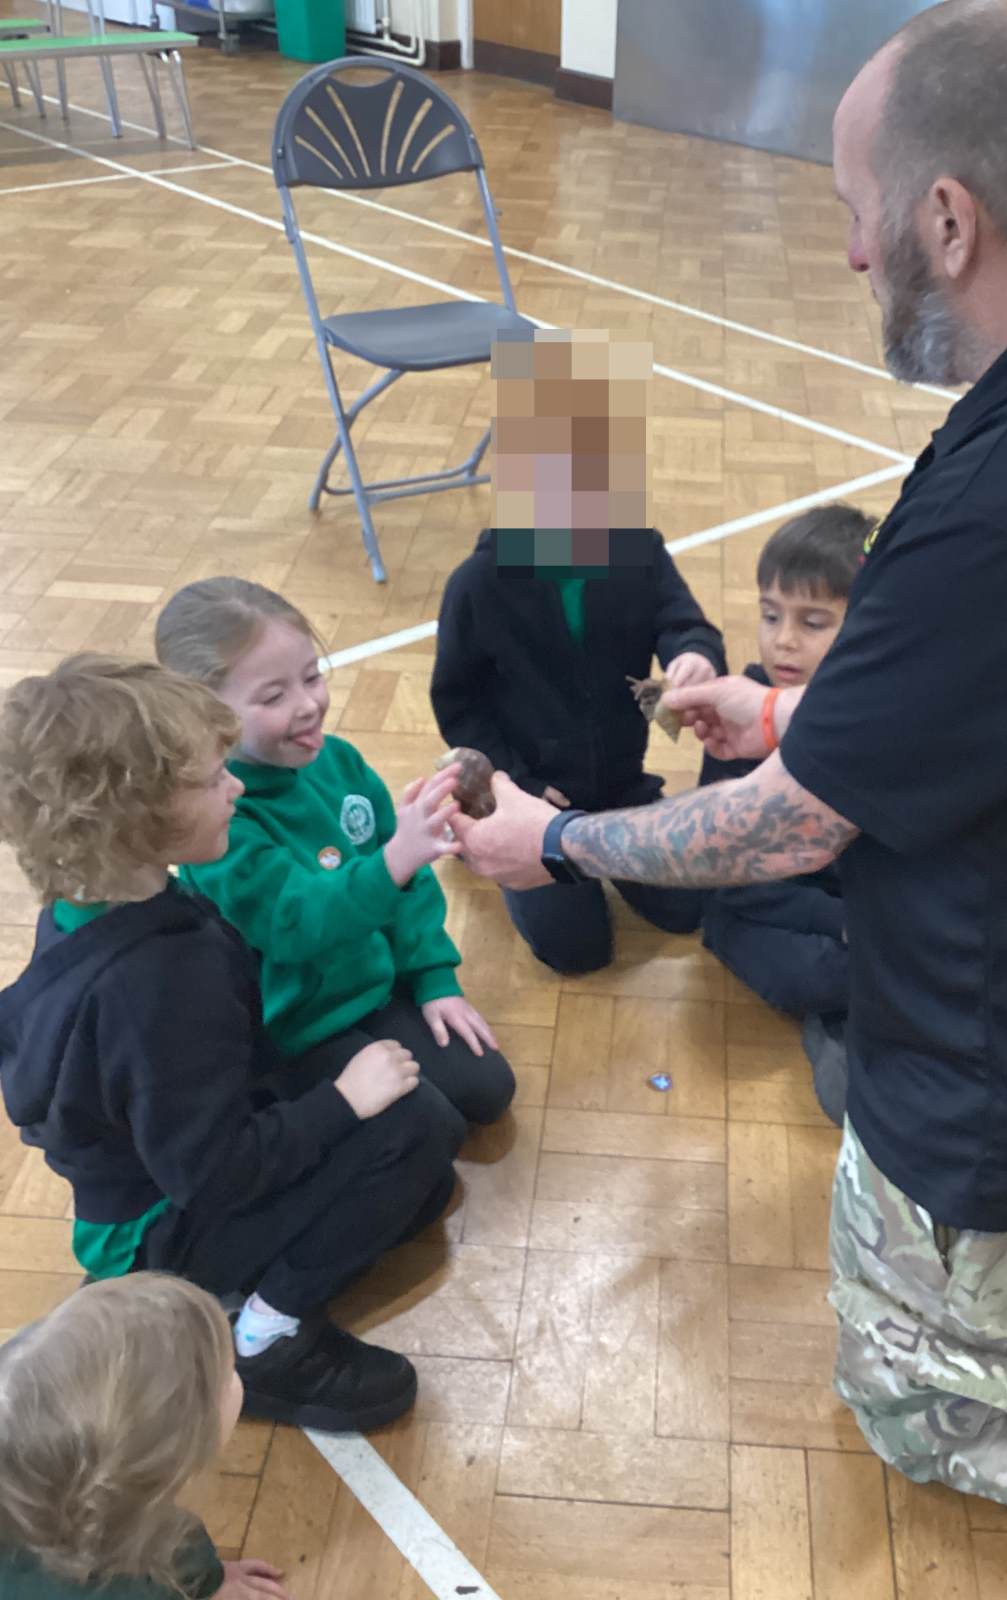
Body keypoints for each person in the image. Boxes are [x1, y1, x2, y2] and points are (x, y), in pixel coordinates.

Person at [446, 1, 1007, 1589]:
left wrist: (554, 837)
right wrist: (790, 705)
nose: (853, 252)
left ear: (950, 218)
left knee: (920, 1398)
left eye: (860, 210)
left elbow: (789, 822)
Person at [0, 655, 458, 1434]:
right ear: (136, 817)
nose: (236, 790)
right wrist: (343, 1102)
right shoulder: (160, 986)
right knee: (418, 1127)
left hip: (166, 1169)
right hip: (160, 1230)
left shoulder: (92, 906)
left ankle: (249, 1278)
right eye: (213, 780)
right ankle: (260, 1337)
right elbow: (216, 1174)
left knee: (417, 1174)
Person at [155, 577, 515, 1129]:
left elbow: (410, 881)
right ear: (205, 716)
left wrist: (433, 978)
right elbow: (295, 923)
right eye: (273, 697)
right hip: (301, 1026)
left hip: (373, 983)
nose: (308, 705)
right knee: (432, 1130)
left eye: (311, 676)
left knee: (488, 1090)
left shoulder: (339, 761)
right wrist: (395, 861)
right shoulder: (219, 821)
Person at [430, 326, 726, 974]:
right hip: (531, 795)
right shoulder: (478, 585)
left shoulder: (637, 551)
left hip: (620, 784)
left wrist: (694, 654)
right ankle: (477, 833)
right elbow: (459, 704)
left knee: (689, 909)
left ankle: (595, 840)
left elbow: (682, 620)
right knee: (577, 951)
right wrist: (518, 784)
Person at [695, 505, 867, 1123]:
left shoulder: (875, 718)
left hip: (850, 908)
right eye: (771, 616)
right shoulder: (739, 712)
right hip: (758, 911)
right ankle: (849, 1018)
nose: (783, 640)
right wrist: (842, 923)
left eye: (813, 622)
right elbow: (735, 880)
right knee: (817, 973)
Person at [0, 1273, 289, 1600]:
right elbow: (172, 1545)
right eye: (224, 1373)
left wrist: (212, 1579)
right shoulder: (133, 1584)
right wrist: (206, 1584)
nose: (234, 1374)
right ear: (174, 1461)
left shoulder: (96, 1493)